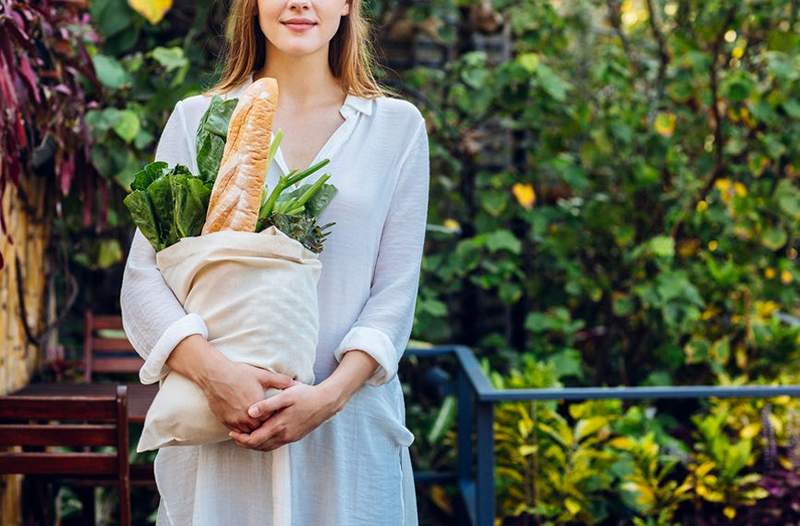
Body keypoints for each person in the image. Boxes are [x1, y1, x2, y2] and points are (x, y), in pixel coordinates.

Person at [118, 0, 430, 523]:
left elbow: (394, 295)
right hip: (222, 432)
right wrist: (218, 378)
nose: (300, 3)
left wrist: (327, 398)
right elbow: (143, 279)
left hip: (345, 433)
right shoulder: (200, 119)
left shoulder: (395, 129)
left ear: (349, 5)